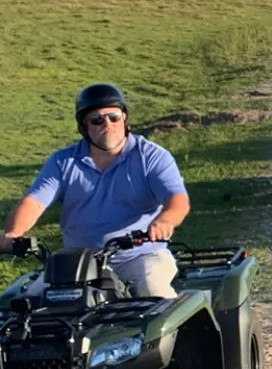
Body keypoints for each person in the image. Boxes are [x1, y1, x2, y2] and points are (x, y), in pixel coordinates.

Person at [0, 84, 189, 298]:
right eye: (97, 120)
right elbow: (34, 202)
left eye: (114, 117)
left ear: (124, 118)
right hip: (79, 263)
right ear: (84, 127)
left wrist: (165, 221)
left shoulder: (151, 156)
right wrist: (14, 233)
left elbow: (177, 200)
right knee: (29, 304)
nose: (107, 125)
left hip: (141, 257)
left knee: (154, 295)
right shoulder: (63, 161)